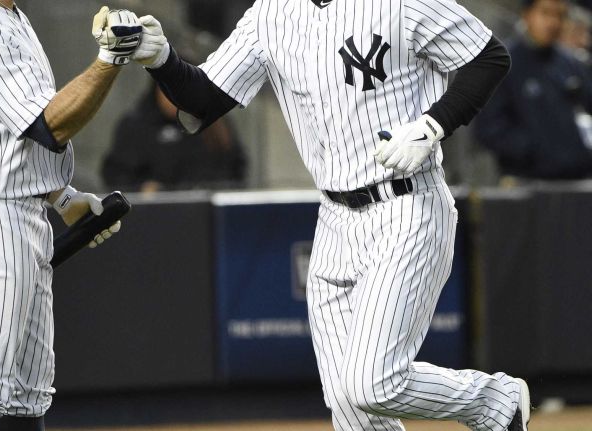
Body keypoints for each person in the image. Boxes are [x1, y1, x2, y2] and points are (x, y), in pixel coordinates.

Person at [124, 1, 531, 430]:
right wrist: (162, 60)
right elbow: (203, 101)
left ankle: (494, 401)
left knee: (373, 385)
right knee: (350, 407)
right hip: (334, 219)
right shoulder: (270, 14)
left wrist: (432, 125)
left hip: (406, 206)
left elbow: (487, 56)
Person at [0, 1, 134, 430]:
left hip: (11, 211)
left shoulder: (7, 15)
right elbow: (49, 124)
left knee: (25, 398)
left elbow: (1, 134)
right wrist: (110, 60)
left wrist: (60, 197)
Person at [475, 0, 592, 181]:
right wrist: (535, 149)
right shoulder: (503, 64)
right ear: (527, 14)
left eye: (559, 15)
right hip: (528, 184)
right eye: (546, 13)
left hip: (576, 180)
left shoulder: (570, 63)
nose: (553, 22)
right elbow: (488, 129)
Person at [101, 83, 247, 192]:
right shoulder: (135, 125)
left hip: (206, 215)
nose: (176, 98)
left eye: (184, 90)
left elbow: (236, 168)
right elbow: (116, 175)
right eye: (169, 90)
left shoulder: (215, 123)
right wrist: (142, 189)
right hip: (154, 218)